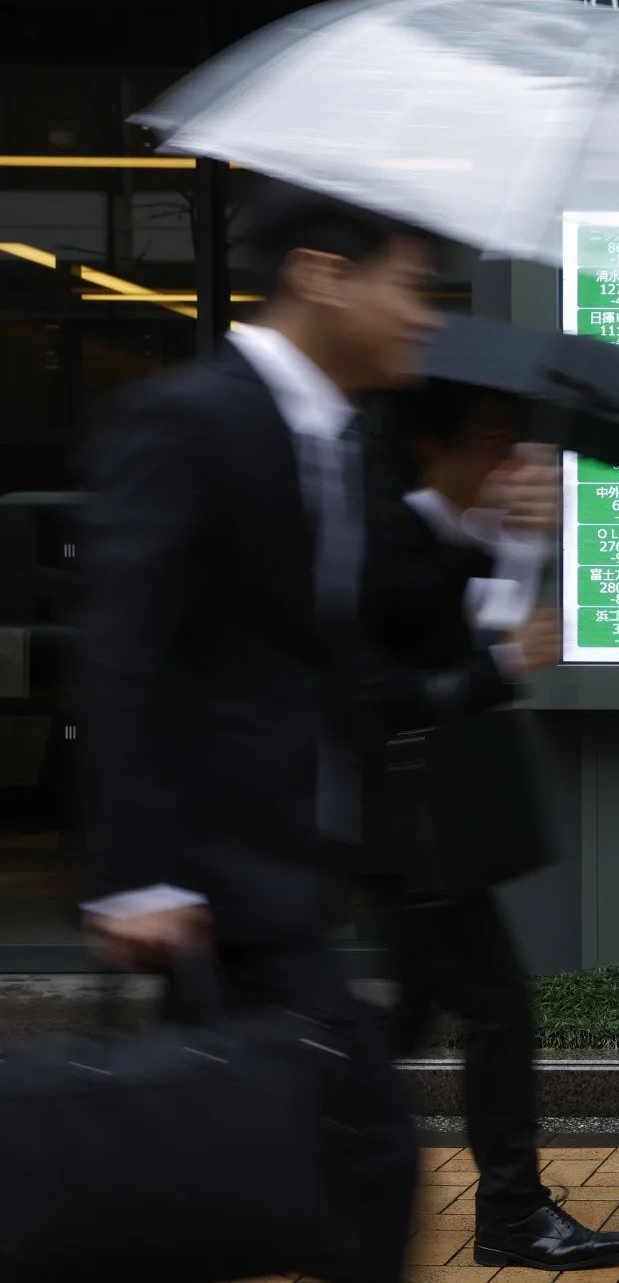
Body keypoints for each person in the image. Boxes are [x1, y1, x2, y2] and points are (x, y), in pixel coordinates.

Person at [77, 181, 438, 1283]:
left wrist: (494, 535)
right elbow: (122, 646)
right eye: (410, 286)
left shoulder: (337, 443)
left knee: (238, 1158)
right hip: (208, 879)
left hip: (289, 866)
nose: (424, 315)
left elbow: (355, 644)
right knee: (365, 1146)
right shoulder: (194, 419)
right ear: (320, 274)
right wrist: (136, 875)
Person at [360, 382, 619, 1272]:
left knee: (404, 1017)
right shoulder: (383, 539)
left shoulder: (438, 535)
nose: (510, 458)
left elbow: (478, 631)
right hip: (410, 828)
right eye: (492, 439)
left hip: (428, 824)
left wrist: (522, 539)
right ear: (431, 449)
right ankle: (513, 1211)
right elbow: (386, 691)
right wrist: (506, 657)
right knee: (497, 1009)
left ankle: (272, 1153)